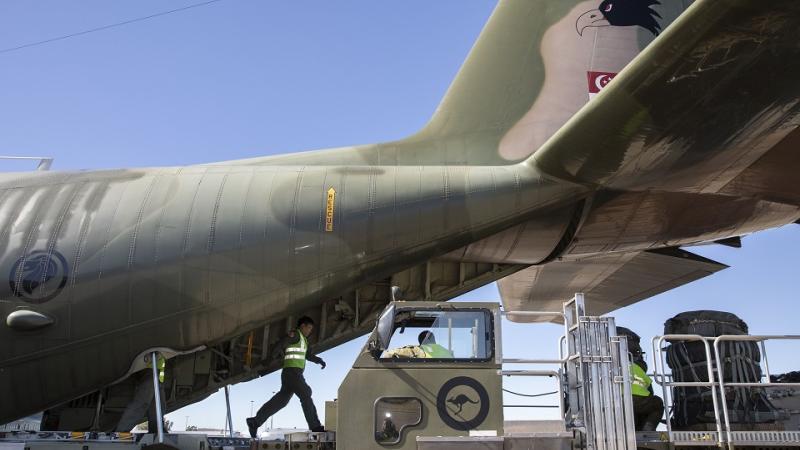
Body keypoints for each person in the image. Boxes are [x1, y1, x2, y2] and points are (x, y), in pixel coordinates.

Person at [246, 316, 326, 438]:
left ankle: (255, 421)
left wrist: (318, 360)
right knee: (306, 393)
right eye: (308, 328)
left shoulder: (304, 340)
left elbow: (308, 355)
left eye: (311, 329)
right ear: (302, 326)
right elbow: (280, 344)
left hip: (293, 373)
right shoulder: (295, 335)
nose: (310, 330)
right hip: (292, 372)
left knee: (281, 401)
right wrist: (270, 359)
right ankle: (315, 426)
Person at [116, 353, 166, 433]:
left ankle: (156, 430)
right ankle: (122, 431)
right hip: (150, 369)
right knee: (142, 402)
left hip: (157, 374)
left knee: (158, 406)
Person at [630, 359, 664, 431]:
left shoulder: (617, 368)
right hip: (637, 402)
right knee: (657, 403)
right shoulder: (640, 371)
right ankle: (648, 428)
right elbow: (650, 393)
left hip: (619, 403)